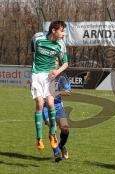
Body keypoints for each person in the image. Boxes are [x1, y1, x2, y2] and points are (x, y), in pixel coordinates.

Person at [31, 21, 68, 161]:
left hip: (50, 76)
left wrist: (56, 71)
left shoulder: (61, 45)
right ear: (54, 30)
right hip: (37, 74)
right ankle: (39, 138)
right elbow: (32, 53)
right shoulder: (37, 38)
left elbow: (65, 63)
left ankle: (53, 135)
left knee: (51, 104)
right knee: (40, 104)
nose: (63, 34)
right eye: (62, 31)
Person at [43, 73, 71, 160]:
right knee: (53, 129)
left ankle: (61, 146)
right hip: (46, 107)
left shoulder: (61, 78)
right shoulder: (42, 76)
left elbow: (68, 92)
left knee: (65, 129)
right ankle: (56, 153)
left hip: (58, 106)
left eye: (56, 61)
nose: (54, 63)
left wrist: (56, 92)